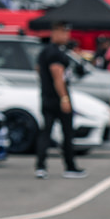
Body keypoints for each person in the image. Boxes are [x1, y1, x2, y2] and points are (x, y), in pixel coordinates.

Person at [34, 21, 86, 179]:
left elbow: (38, 69)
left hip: (46, 96)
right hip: (57, 98)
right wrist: (64, 98)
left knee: (46, 131)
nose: (67, 36)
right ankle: (69, 166)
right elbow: (58, 77)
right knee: (67, 133)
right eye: (64, 32)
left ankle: (40, 166)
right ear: (55, 33)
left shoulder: (45, 51)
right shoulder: (55, 53)